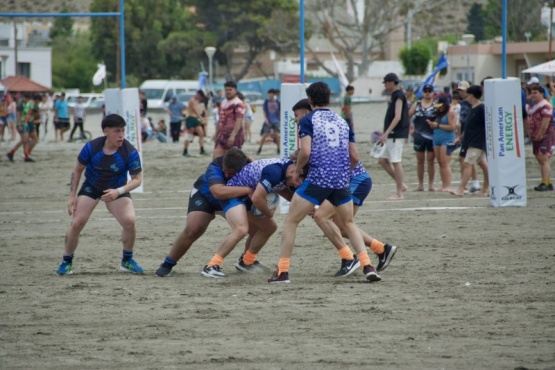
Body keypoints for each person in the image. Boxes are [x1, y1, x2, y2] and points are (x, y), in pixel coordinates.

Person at [268, 81, 380, 284]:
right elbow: (354, 155)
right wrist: (345, 174)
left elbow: (306, 151)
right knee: (349, 223)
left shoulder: (308, 120)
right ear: (329, 99)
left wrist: (298, 172)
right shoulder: (342, 121)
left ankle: (282, 271)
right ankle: (367, 265)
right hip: (341, 180)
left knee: (291, 221)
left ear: (310, 100)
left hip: (319, 179)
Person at [291, 98, 398, 277]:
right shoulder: (321, 128)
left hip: (354, 179)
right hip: (348, 180)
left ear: (308, 112)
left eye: (296, 115)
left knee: (323, 217)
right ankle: (381, 250)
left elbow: (345, 159)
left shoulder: (316, 127)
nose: (295, 120)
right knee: (341, 226)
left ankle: (350, 259)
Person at [55, 114, 144, 275]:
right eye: (117, 131)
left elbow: (137, 179)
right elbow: (77, 169)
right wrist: (72, 196)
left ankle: (127, 260)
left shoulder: (129, 151)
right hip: (92, 187)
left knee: (130, 221)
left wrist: (119, 191)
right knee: (77, 222)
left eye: (123, 131)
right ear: (106, 131)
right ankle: (66, 262)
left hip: (116, 189)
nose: (121, 135)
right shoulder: (92, 147)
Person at [155, 148, 252, 277]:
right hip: (205, 196)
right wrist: (248, 190)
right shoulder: (215, 166)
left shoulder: (248, 168)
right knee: (193, 229)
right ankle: (168, 263)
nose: (227, 175)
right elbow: (218, 192)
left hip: (231, 199)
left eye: (231, 173)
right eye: (225, 171)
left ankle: (247, 260)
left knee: (258, 228)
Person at [201, 158, 297, 278]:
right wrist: (268, 213)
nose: (297, 184)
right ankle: (211, 266)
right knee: (241, 229)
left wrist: (310, 209)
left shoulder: (286, 171)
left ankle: (246, 261)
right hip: (233, 193)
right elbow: (257, 198)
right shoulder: (275, 171)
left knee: (269, 227)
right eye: (298, 180)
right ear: (293, 171)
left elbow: (288, 194)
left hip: (247, 195)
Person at [451, 85, 489, 197]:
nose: (466, 97)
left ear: (472, 96)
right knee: (483, 164)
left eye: (467, 95)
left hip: (477, 141)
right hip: (471, 140)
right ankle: (485, 189)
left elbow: (486, 125)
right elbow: (468, 126)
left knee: (467, 163)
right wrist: (460, 138)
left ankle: (461, 189)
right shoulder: (472, 107)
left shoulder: (481, 107)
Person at [378, 72, 409, 200]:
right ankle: (401, 185)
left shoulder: (399, 96)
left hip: (396, 133)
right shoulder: (394, 95)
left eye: (386, 83)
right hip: (391, 134)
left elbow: (397, 116)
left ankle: (399, 193)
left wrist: (386, 133)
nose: (385, 85)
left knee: (396, 161)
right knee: (382, 160)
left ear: (391, 82)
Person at [408, 83, 437, 191]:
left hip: (432, 136)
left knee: (431, 160)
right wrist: (410, 129)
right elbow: (408, 116)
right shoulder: (417, 104)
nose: (427, 93)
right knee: (420, 160)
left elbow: (441, 118)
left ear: (433, 92)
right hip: (419, 135)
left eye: (429, 91)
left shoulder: (436, 104)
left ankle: (431, 184)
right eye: (425, 91)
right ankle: (420, 184)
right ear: (423, 92)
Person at [455, 81, 481, 193]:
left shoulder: (475, 104)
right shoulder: (462, 104)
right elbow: (461, 121)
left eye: (463, 90)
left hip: (474, 136)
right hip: (466, 135)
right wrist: (459, 135)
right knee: (467, 160)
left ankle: (470, 184)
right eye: (459, 90)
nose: (461, 92)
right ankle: (472, 183)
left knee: (468, 160)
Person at [527, 84, 554, 191]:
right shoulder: (536, 106)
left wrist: (540, 134)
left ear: (542, 94)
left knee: (543, 159)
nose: (533, 95)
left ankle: (545, 183)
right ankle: (547, 181)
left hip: (544, 136)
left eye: (535, 93)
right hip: (537, 136)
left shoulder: (545, 106)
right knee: (541, 159)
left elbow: (545, 122)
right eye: (531, 93)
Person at [427, 95, 456, 192]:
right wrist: (432, 125)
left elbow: (452, 127)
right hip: (437, 138)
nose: (438, 108)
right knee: (440, 163)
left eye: (440, 106)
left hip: (447, 139)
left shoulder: (450, 113)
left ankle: (448, 185)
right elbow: (436, 126)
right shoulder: (437, 113)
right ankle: (444, 184)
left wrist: (438, 125)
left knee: (445, 162)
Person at [213, 81, 245, 159]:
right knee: (216, 160)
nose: (228, 91)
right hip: (222, 135)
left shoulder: (238, 103)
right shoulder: (223, 103)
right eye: (226, 90)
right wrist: (216, 133)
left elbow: (239, 121)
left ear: (235, 91)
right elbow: (220, 120)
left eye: (230, 90)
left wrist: (233, 136)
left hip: (234, 135)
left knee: (231, 162)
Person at [6, 94, 39, 162]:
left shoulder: (26, 104)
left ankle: (24, 154)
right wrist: (19, 124)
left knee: (26, 140)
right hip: (23, 123)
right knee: (25, 140)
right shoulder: (22, 104)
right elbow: (19, 115)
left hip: (25, 122)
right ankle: (14, 153)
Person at [183, 90, 208, 157]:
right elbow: (195, 110)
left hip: (195, 119)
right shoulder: (192, 100)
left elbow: (199, 110)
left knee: (201, 134)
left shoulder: (197, 101)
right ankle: (185, 151)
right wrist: (201, 118)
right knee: (189, 136)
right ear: (197, 94)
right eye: (199, 96)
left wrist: (202, 117)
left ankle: (202, 149)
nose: (199, 98)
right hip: (190, 119)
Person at [257, 89, 281, 155]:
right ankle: (259, 148)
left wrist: (280, 120)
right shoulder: (266, 101)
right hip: (268, 121)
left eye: (271, 94)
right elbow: (264, 111)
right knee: (264, 135)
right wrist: (266, 119)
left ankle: (279, 148)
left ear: (274, 94)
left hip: (276, 121)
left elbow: (280, 111)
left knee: (277, 136)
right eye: (269, 94)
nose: (269, 95)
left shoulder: (277, 101)